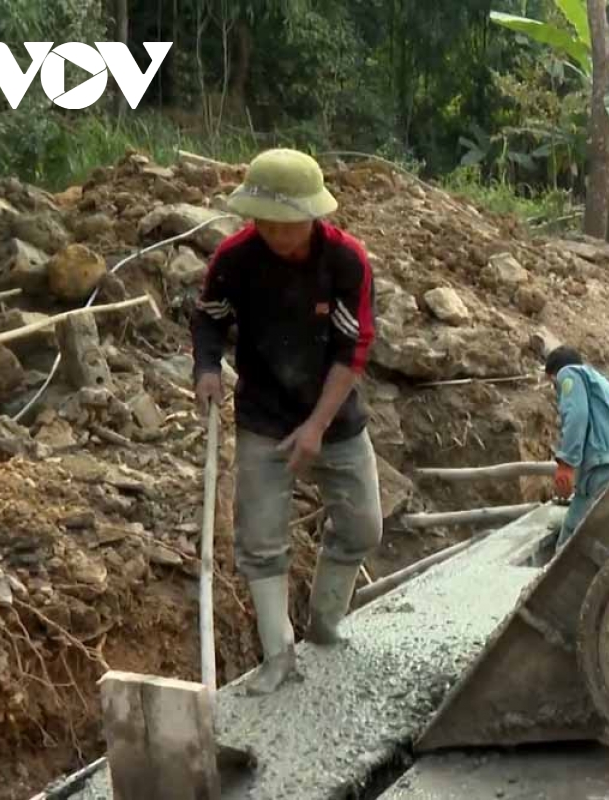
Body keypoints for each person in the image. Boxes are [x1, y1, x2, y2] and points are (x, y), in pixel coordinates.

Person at [191, 148, 383, 696]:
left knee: (363, 525)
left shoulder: (346, 262)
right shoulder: (235, 259)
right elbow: (209, 320)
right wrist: (206, 368)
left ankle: (325, 626)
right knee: (260, 539)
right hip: (264, 415)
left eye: (288, 226)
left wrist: (319, 426)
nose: (277, 235)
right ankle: (278, 655)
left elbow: (354, 348)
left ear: (313, 216)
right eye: (266, 224)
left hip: (336, 414)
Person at [546, 346, 609, 550]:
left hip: (600, 470)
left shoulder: (569, 374)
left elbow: (576, 415)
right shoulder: (608, 387)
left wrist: (566, 464)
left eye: (553, 384)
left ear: (554, 374)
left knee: (569, 547)